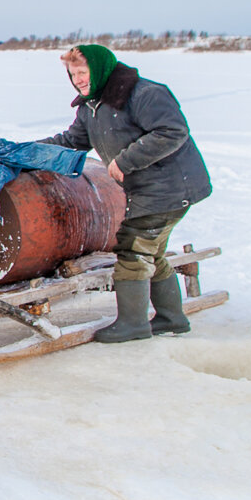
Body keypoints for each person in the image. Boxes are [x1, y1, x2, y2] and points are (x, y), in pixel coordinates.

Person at [40, 44, 211, 343]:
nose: (78, 79)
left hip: (169, 186)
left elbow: (171, 132)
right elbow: (73, 140)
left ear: (101, 68)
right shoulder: (91, 106)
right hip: (147, 189)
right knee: (152, 252)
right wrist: (31, 151)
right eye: (73, 74)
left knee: (132, 250)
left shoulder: (144, 94)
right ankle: (171, 319)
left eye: (83, 72)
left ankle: (133, 324)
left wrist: (124, 161)